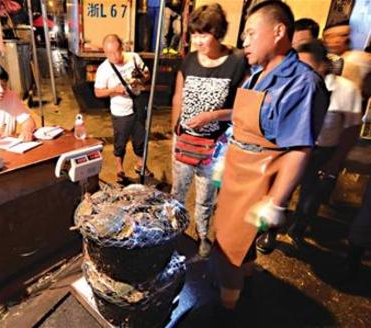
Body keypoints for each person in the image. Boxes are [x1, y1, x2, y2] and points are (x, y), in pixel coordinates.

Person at [212, 0, 329, 311]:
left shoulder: (301, 82)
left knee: (227, 250)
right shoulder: (257, 73)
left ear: (278, 31)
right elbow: (246, 122)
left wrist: (276, 202)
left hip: (257, 179)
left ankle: (226, 311)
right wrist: (227, 154)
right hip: (238, 169)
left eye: (251, 33)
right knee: (239, 245)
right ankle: (244, 293)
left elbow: (299, 148)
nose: (243, 41)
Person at [257, 40, 362, 253]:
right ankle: (270, 232)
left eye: (307, 65)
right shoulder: (291, 84)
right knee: (281, 193)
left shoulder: (346, 91)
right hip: (289, 149)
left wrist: (335, 163)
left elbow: (351, 131)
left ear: (323, 65)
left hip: (322, 153)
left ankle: (297, 230)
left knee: (310, 199)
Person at [171, 3, 248, 258]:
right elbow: (178, 97)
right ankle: (174, 231)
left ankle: (203, 235)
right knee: (177, 193)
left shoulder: (237, 62)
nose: (197, 40)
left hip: (214, 146)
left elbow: (245, 107)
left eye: (204, 34)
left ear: (218, 33)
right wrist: (175, 131)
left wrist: (214, 115)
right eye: (194, 34)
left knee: (206, 196)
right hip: (184, 141)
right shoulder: (190, 60)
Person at [94, 34, 152, 183]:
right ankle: (119, 168)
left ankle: (140, 163)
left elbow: (147, 74)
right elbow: (98, 92)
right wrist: (114, 90)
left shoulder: (134, 58)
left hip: (138, 104)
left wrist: (139, 79)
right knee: (120, 140)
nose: (115, 56)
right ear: (105, 53)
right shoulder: (104, 69)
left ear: (122, 48)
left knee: (140, 137)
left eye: (118, 51)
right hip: (120, 111)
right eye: (110, 53)